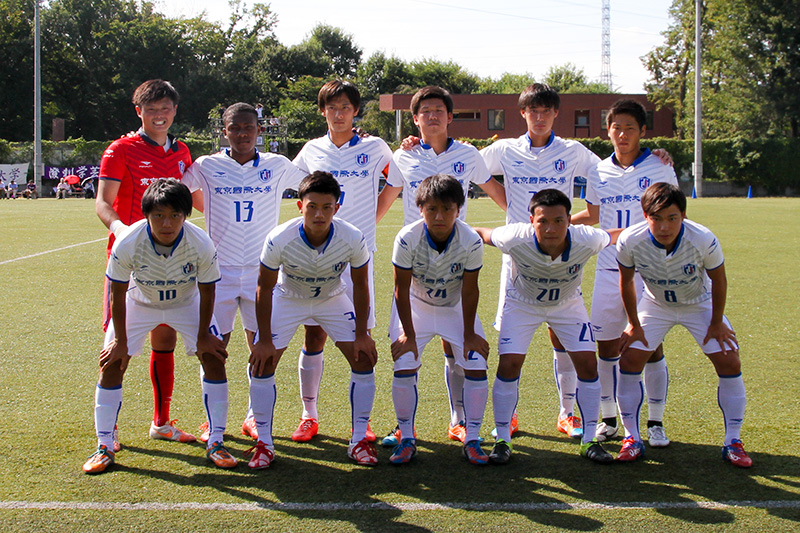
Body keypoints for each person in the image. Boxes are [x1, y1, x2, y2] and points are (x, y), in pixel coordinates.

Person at [376, 85, 507, 445]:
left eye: (439, 110)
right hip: (414, 256)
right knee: (406, 349)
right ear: (415, 119)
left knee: (457, 348)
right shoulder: (403, 156)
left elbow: (493, 189)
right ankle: (405, 428)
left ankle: (459, 419)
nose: (432, 116)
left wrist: (529, 223)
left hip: (454, 253)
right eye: (425, 111)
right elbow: (387, 197)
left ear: (450, 117)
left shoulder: (468, 154)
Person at [82, 179, 231, 474]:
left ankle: (215, 441)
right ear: (146, 215)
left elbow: (209, 290)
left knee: (214, 358)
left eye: (175, 215)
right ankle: (104, 444)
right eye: (159, 215)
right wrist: (120, 340)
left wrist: (203, 337)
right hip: (140, 302)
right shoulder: (128, 242)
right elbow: (117, 291)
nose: (167, 223)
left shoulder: (200, 242)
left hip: (186, 302)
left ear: (185, 216)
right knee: (112, 362)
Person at [182, 102, 306, 442]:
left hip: (261, 274)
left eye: (248, 128)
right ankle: (214, 418)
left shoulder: (278, 165)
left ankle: (254, 416)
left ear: (258, 130)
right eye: (234, 128)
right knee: (213, 349)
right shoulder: (206, 166)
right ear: (225, 131)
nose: (242, 134)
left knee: (263, 348)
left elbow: (314, 181)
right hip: (216, 274)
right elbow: (178, 188)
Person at [474, 189, 620, 465]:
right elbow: (481, 233)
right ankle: (503, 439)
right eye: (543, 221)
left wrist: (652, 226)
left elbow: (615, 236)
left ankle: (589, 439)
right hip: (522, 304)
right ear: (532, 220)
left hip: (567, 304)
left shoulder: (586, 238)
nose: (551, 228)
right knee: (509, 364)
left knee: (588, 364)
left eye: (559, 221)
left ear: (569, 221)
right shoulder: (514, 236)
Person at [96, 79, 201, 449]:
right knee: (116, 350)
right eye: (151, 109)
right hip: (130, 263)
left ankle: (161, 422)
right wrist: (121, 230)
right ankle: (107, 437)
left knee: (165, 337)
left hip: (173, 260)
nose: (160, 115)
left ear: (174, 111)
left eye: (166, 109)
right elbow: (103, 202)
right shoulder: (120, 149)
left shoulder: (183, 152)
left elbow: (194, 199)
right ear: (138, 111)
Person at [248, 171, 378, 469]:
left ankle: (358, 438)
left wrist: (362, 332)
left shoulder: (352, 236)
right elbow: (264, 288)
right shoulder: (279, 237)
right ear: (299, 206)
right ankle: (264, 444)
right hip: (289, 297)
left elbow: (360, 285)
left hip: (331, 297)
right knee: (262, 362)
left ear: (337, 207)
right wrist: (264, 339)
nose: (319, 214)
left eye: (327, 207)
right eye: (312, 207)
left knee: (363, 357)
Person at [615, 183, 751, 467]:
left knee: (729, 360)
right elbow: (626, 281)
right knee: (629, 359)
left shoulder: (703, 238)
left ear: (684, 215)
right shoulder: (630, 239)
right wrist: (634, 324)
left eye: (672, 218)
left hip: (698, 304)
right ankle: (631, 438)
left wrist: (716, 323)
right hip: (656, 305)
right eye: (657, 218)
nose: (664, 226)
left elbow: (719, 280)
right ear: (645, 215)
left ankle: (733, 442)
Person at [289, 80, 392, 443]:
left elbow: (394, 180)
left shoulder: (375, 146)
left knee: (359, 339)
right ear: (323, 111)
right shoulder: (311, 150)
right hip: (317, 255)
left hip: (357, 255)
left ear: (355, 111)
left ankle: (360, 424)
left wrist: (372, 218)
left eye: (345, 107)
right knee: (313, 332)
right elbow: (291, 185)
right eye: (332, 107)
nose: (339, 113)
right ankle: (309, 414)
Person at [572, 98, 678, 445]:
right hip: (608, 265)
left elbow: (676, 216)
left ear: (642, 131)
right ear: (608, 130)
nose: (622, 134)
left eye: (629, 127)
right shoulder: (598, 171)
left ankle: (655, 422)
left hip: (649, 268)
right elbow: (593, 216)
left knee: (650, 343)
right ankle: (609, 418)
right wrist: (559, 224)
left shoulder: (661, 166)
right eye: (616, 127)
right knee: (606, 345)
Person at [389, 174, 490, 465]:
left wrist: (469, 333)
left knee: (475, 361)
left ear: (459, 209)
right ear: (420, 209)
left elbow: (471, 290)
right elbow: (401, 289)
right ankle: (406, 437)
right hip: (416, 306)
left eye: (447, 209)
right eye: (432, 209)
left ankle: (472, 438)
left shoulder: (470, 240)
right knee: (404, 362)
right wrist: (407, 334)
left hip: (454, 306)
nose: (439, 216)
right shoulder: (407, 237)